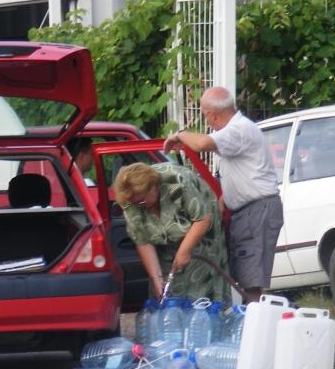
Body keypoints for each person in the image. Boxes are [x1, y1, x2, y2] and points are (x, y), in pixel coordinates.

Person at [163, 87, 283, 302]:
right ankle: (247, 323)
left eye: (204, 115)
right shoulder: (234, 132)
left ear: (212, 114)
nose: (207, 121)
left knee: (251, 282)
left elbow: (201, 144)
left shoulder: (239, 130)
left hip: (257, 210)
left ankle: (252, 326)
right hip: (247, 211)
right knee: (242, 278)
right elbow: (234, 177)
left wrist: (178, 135)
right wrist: (219, 207)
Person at [114, 161, 231, 302]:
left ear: (154, 187)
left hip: (202, 235)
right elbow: (142, 240)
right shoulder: (130, 201)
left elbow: (203, 219)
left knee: (200, 289)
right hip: (166, 245)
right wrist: (156, 278)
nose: (140, 207)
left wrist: (184, 251)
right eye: (136, 204)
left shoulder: (178, 181)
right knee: (166, 290)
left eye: (142, 202)